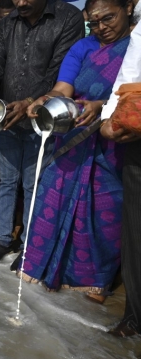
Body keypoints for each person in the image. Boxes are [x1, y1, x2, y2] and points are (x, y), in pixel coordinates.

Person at [21, 0, 133, 303]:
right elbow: (63, 88)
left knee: (104, 209)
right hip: (74, 136)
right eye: (93, 23)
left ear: (128, 7)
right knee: (51, 194)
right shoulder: (83, 47)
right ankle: (41, 268)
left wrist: (104, 107)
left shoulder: (135, 47)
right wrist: (46, 100)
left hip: (115, 142)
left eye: (108, 18)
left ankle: (94, 278)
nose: (101, 28)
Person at [0, 0, 84, 268]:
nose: (20, 3)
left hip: (41, 119)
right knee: (7, 182)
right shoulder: (8, 23)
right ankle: (3, 240)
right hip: (8, 117)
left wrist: (31, 101)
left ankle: (30, 245)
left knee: (34, 185)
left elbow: (61, 71)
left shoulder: (68, 17)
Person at [100, 0, 141, 338]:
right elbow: (128, 78)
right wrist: (106, 120)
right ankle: (135, 315)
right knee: (136, 231)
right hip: (135, 134)